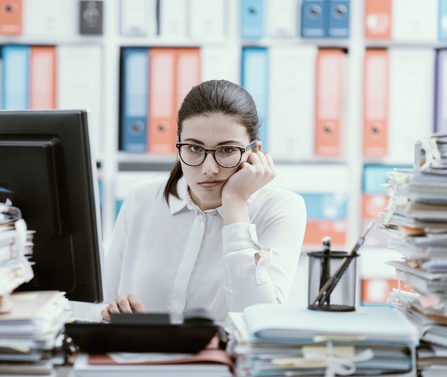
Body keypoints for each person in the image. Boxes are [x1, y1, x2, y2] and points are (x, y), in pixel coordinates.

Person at [101, 79, 307, 323]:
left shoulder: (281, 208)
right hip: (141, 358)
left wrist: (236, 204)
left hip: (227, 361)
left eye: (227, 150)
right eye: (194, 149)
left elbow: (260, 321)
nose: (209, 169)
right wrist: (110, 313)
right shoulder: (142, 198)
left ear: (254, 151)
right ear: (178, 147)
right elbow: (97, 306)